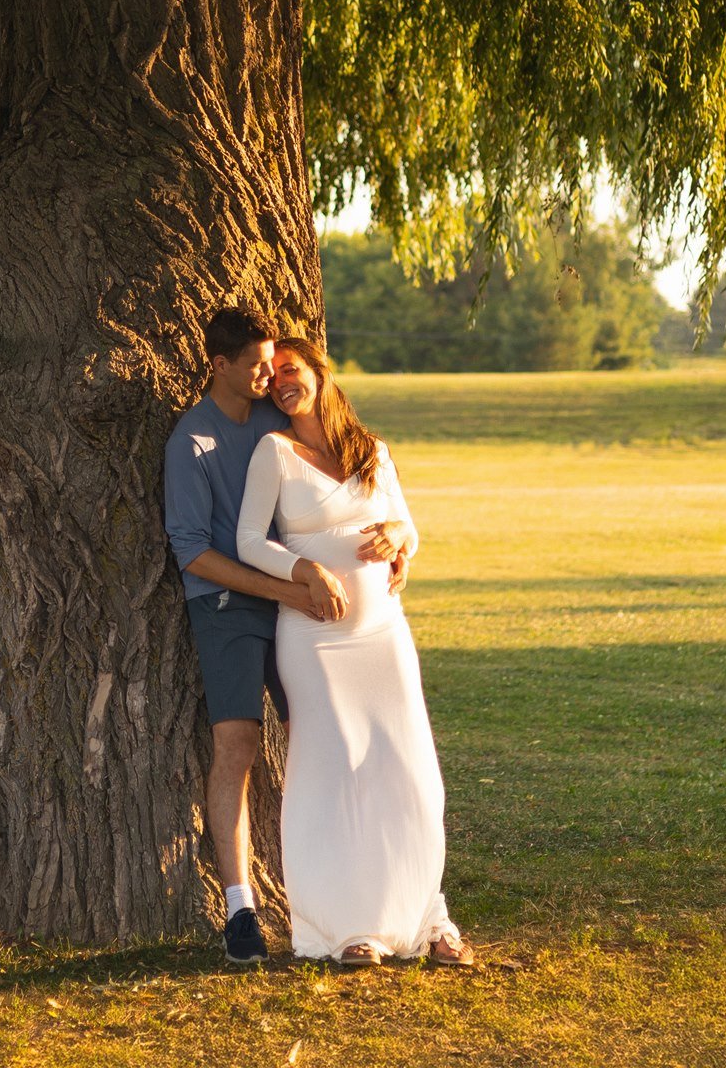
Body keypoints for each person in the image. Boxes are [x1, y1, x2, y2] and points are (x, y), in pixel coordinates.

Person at [236, 336, 475, 967]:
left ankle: (427, 918)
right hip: (313, 639)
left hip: (384, 635)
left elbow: (408, 526)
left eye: (293, 371)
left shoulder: (371, 451)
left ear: (320, 374)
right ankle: (347, 928)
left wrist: (401, 536)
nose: (283, 382)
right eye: (275, 375)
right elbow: (249, 542)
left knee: (410, 770)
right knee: (333, 774)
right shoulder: (274, 451)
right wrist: (307, 570)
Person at [163, 307, 353, 967]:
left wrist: (393, 533)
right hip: (225, 607)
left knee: (322, 735)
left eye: (272, 361)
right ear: (219, 365)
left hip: (292, 603)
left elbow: (344, 473)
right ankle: (240, 908)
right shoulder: (192, 440)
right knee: (237, 746)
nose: (268, 374)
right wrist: (284, 591)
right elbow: (191, 551)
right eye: (255, 364)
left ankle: (330, 890)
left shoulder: (279, 423)